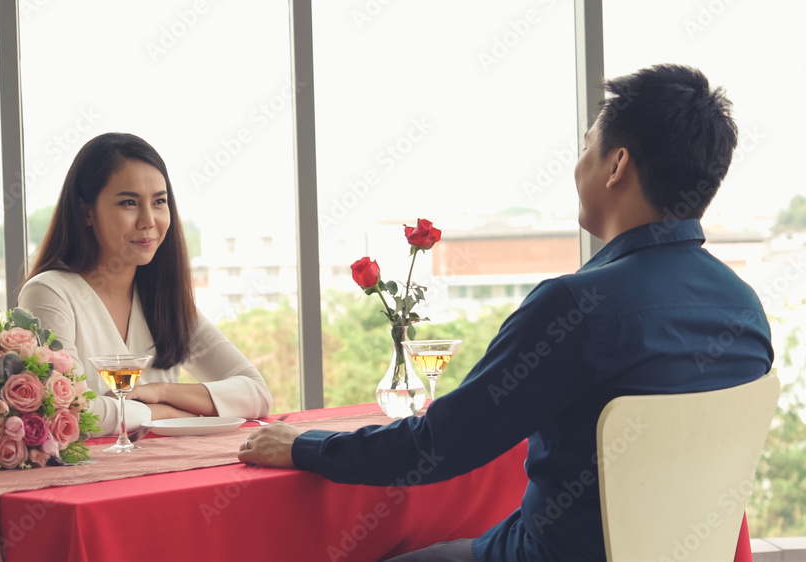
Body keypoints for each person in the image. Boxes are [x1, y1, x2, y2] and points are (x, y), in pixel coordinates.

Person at [238, 64, 774, 560]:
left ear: (617, 165)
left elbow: (438, 447)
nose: (579, 164)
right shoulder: (744, 309)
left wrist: (308, 446)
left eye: (587, 147)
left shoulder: (576, 307)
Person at [19, 132, 272, 436]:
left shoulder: (164, 298)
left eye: (159, 202)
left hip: (165, 472)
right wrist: (163, 415)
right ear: (86, 212)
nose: (148, 220)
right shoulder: (48, 292)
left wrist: (161, 392)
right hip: (89, 480)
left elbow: (256, 394)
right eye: (129, 202)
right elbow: (70, 410)